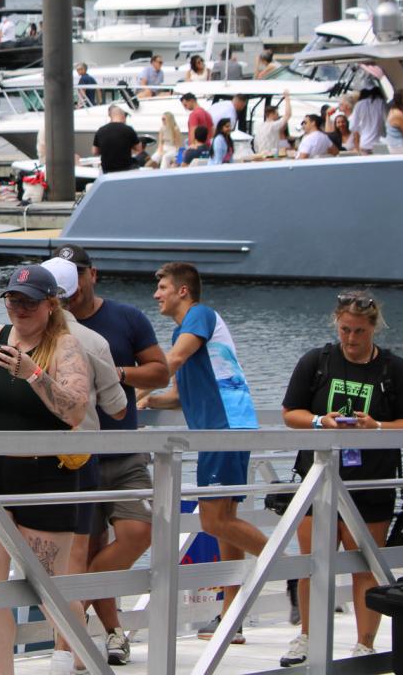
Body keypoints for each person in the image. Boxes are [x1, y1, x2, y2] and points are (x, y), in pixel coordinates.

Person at [0, 264, 89, 675]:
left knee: (49, 586)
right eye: (13, 299)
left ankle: (78, 661)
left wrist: (32, 374)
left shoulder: (63, 346)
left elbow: (75, 409)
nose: (19, 309)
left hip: (46, 475)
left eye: (29, 302)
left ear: (50, 304)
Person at [277, 291, 403, 665]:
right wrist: (318, 421)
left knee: (364, 565)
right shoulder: (317, 362)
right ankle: (307, 637)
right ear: (336, 325)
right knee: (312, 561)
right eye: (345, 330)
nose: (351, 339)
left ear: (373, 328)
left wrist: (376, 426)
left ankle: (365, 644)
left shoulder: (394, 370)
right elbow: (289, 412)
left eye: (359, 331)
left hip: (371, 482)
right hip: (318, 478)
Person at [51, 244, 170, 666]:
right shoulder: (46, 325)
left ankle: (73, 604)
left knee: (140, 531)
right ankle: (113, 632)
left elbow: (160, 370)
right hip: (76, 458)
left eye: (77, 273)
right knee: (90, 543)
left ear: (92, 274)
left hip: (123, 450)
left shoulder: (126, 318)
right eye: (63, 274)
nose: (71, 283)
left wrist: (112, 371)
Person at [142, 263, 264, 645]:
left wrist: (131, 380)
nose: (156, 294)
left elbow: (171, 364)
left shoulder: (199, 315)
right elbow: (177, 394)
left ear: (182, 291)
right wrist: (144, 401)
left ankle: (289, 570)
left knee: (214, 521)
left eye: (162, 287)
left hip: (224, 428)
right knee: (226, 520)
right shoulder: (186, 331)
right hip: (225, 428)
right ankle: (232, 619)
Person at [41, 257, 127, 675]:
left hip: (21, 462)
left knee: (15, 561)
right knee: (74, 561)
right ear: (73, 290)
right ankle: (67, 651)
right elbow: (116, 405)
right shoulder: (91, 341)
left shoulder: (8, 336)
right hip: (77, 462)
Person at [92, 105, 142, 174]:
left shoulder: (101, 130)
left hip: (107, 171)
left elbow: (95, 152)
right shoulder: (128, 129)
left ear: (110, 116)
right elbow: (139, 149)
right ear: (123, 115)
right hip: (125, 170)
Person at [349, 85, 386, 154]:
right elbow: (387, 122)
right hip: (379, 143)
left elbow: (352, 126)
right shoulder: (382, 103)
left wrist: (362, 130)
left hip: (364, 143)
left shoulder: (359, 105)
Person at [254, 91, 292, 156]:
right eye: (277, 114)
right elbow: (288, 115)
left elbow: (256, 145)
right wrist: (287, 98)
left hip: (260, 154)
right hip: (271, 156)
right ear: (271, 114)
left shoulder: (260, 126)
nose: (278, 115)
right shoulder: (273, 125)